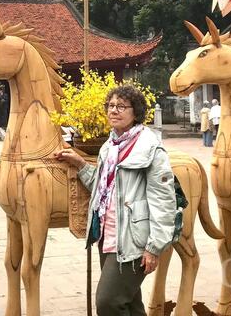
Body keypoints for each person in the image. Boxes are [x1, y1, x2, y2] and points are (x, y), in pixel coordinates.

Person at [54, 85, 177, 316]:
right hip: (107, 235)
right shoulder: (109, 147)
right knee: (129, 304)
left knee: (108, 302)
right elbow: (104, 187)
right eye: (111, 106)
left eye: (121, 106)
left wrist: (154, 247)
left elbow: (164, 201)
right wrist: (80, 164)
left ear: (136, 111)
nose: (113, 110)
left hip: (133, 240)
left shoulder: (149, 147)